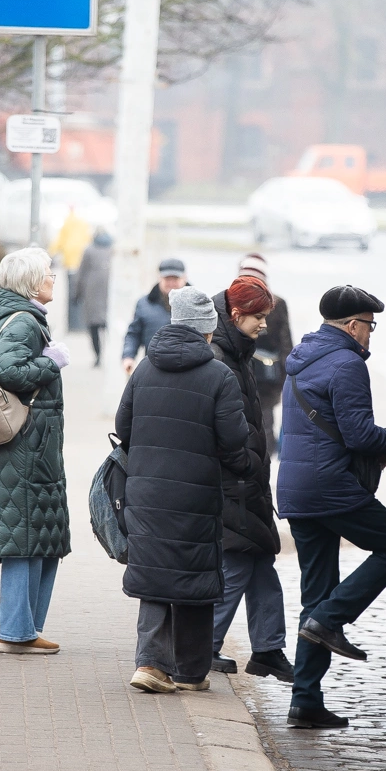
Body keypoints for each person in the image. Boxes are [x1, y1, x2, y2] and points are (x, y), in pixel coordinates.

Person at [277, 285, 386, 729]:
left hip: (297, 490)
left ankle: (305, 700)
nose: (371, 334)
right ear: (354, 326)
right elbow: (357, 434)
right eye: (370, 326)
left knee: (314, 592)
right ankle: (331, 618)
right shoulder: (348, 363)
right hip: (330, 488)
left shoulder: (303, 356)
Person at [116, 286, 251, 693]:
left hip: (146, 492)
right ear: (208, 331)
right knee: (193, 574)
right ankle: (191, 673)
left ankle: (150, 663)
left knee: (155, 570)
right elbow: (234, 441)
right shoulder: (219, 376)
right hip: (195, 494)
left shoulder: (143, 369)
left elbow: (124, 429)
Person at [0, 247, 72, 654]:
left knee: (38, 533)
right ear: (31, 283)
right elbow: (11, 371)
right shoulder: (23, 322)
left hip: (30, 444)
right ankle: (18, 632)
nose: (53, 279)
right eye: (48, 273)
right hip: (27, 446)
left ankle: (12, 619)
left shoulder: (20, 318)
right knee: (28, 535)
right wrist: (51, 362)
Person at [208, 276, 293, 683]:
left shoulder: (236, 350)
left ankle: (268, 649)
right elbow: (223, 428)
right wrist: (244, 464)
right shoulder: (221, 356)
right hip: (234, 485)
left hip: (247, 482)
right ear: (237, 315)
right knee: (239, 562)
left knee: (260, 563)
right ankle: (203, 646)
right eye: (258, 317)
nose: (264, 325)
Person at [237, 253, 294, 457]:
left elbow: (286, 342)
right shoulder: (229, 303)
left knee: (265, 424)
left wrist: (286, 377)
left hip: (267, 377)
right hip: (237, 374)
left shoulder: (277, 304)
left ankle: (264, 468)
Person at [121, 258, 187, 374]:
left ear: (184, 279)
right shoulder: (144, 304)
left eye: (175, 279)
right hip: (153, 369)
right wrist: (128, 356)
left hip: (186, 369)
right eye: (167, 279)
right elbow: (134, 333)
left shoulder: (197, 305)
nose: (171, 283)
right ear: (159, 279)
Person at [48, 206, 93, 333]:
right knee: (81, 292)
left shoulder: (67, 223)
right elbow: (88, 240)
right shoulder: (84, 224)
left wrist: (51, 253)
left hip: (70, 262)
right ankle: (80, 324)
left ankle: (73, 324)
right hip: (81, 263)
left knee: (72, 293)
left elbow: (59, 241)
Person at [73, 229, 112, 366]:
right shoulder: (113, 250)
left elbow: (81, 273)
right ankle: (111, 355)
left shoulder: (89, 250)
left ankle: (98, 356)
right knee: (108, 325)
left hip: (92, 293)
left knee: (93, 327)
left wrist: (77, 294)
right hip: (109, 292)